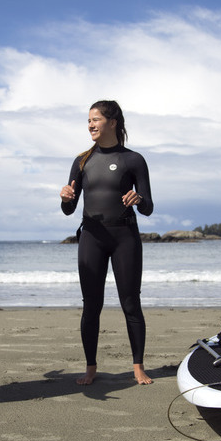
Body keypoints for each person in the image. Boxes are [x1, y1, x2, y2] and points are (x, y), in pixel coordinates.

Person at [60, 100, 154, 386]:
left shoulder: (133, 160)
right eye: (89, 120)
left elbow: (148, 207)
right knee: (91, 305)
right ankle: (90, 367)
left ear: (112, 122)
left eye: (96, 119)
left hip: (125, 237)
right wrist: (65, 198)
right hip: (92, 237)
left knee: (131, 303)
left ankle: (138, 367)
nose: (90, 124)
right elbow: (68, 209)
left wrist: (138, 199)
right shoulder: (81, 161)